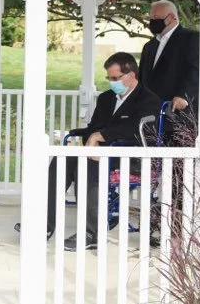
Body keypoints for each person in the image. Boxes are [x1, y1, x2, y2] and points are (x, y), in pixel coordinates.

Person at [15, 53, 162, 251]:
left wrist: (100, 137)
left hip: (132, 156)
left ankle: (91, 233)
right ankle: (43, 225)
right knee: (63, 160)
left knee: (92, 163)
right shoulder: (106, 99)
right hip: (101, 152)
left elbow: (138, 131)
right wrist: (93, 138)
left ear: (131, 75)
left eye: (115, 78)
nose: (112, 83)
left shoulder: (148, 99)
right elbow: (93, 128)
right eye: (108, 78)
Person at [139, 0, 199, 123]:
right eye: (151, 17)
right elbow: (142, 78)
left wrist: (183, 96)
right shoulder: (149, 46)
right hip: (150, 114)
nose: (153, 21)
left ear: (171, 17)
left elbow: (196, 70)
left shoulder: (191, 39)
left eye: (156, 17)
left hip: (177, 114)